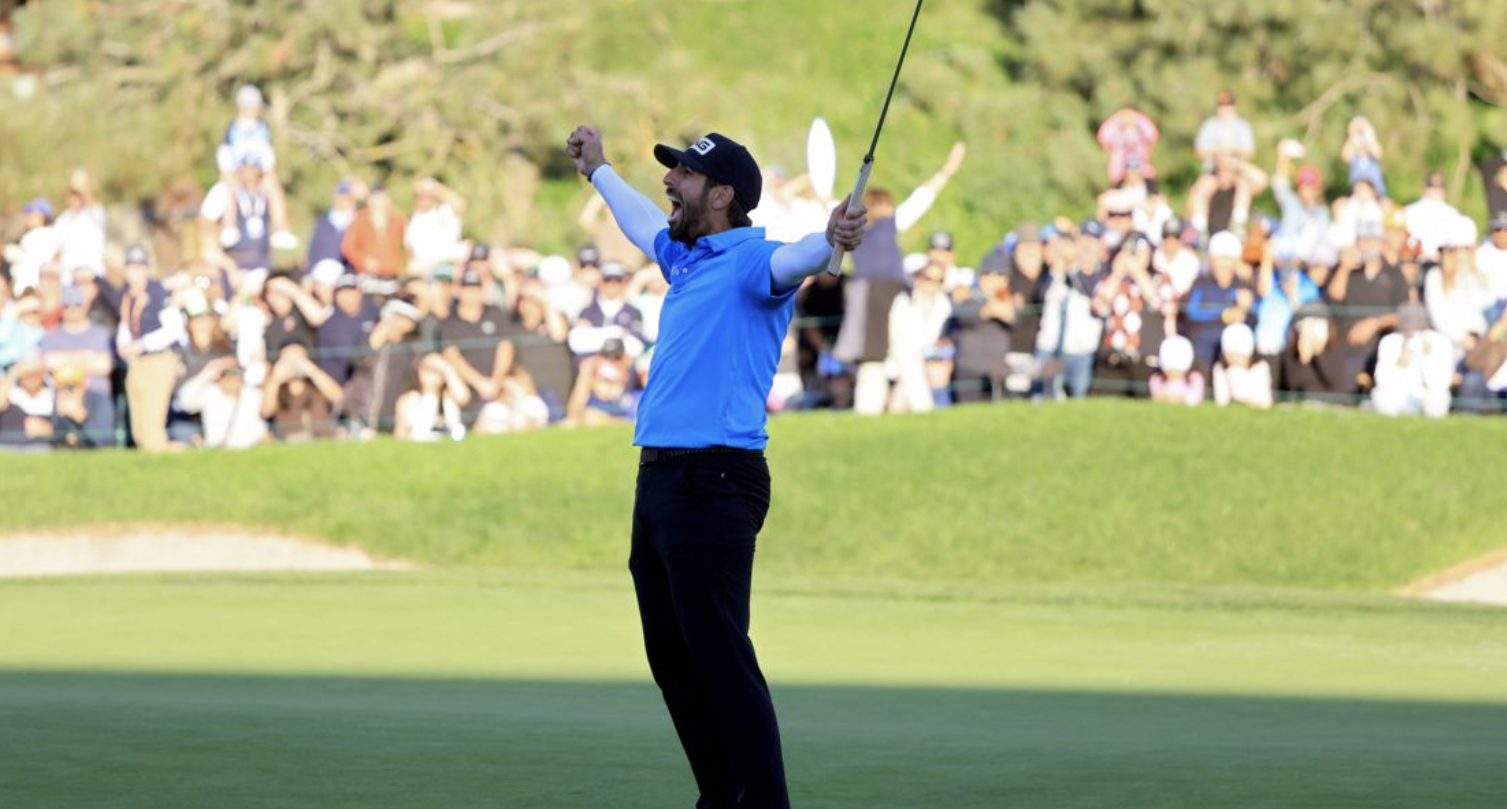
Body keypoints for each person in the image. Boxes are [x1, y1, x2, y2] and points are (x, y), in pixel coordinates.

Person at [566, 123, 865, 809]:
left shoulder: (750, 260)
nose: (670, 181)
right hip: (660, 481)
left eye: (684, 175)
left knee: (721, 660)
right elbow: (643, 223)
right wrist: (599, 170)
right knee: (674, 662)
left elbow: (796, 260)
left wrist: (830, 238)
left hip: (715, 480)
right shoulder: (686, 257)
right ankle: (722, 797)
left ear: (723, 194)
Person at [833, 141, 965, 414]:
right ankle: (920, 408)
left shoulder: (853, 231)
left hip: (866, 295)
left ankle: (868, 411)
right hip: (891, 294)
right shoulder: (887, 224)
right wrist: (947, 170)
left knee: (872, 362)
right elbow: (922, 198)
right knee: (906, 355)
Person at [116, 245, 185, 451]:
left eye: (139, 267)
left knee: (152, 428)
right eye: (131, 267)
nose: (135, 273)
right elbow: (126, 325)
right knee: (139, 431)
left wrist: (142, 344)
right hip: (137, 362)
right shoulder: (127, 296)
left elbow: (173, 329)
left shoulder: (157, 292)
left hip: (158, 360)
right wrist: (124, 346)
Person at [40, 286, 115, 446]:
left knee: (102, 444)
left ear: (85, 305)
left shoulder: (101, 333)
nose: (72, 308)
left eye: (77, 303)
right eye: (67, 304)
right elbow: (48, 362)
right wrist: (86, 357)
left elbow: (104, 366)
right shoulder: (51, 336)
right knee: (64, 443)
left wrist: (65, 359)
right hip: (62, 394)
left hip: (96, 393)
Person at [1183, 231, 1255, 376]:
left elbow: (1256, 316)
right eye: (1219, 258)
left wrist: (1247, 308)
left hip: (1231, 361)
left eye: (1227, 259)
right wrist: (1223, 315)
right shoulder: (1201, 283)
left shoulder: (1243, 286)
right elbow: (1191, 312)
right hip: (1203, 355)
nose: (1223, 264)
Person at [949, 256, 1013, 403]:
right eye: (987, 274)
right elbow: (963, 317)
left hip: (996, 369)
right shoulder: (968, 298)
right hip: (969, 367)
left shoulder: (1010, 300)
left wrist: (1004, 310)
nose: (992, 279)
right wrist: (986, 311)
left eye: (999, 274)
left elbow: (1015, 318)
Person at [1372, 304, 1452, 418]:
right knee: (1381, 395)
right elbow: (1382, 380)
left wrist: (1426, 358)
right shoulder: (1389, 341)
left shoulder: (1440, 342)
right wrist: (1401, 361)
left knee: (1439, 396)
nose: (1412, 333)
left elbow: (1442, 382)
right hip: (1400, 395)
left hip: (1427, 395)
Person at [260, 343, 344, 442]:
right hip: (290, 442)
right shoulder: (277, 388)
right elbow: (266, 411)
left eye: (298, 358)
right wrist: (276, 379)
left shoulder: (317, 385)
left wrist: (312, 371)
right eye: (288, 359)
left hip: (321, 440)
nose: (294, 364)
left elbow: (339, 397)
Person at [1271, 139, 1331, 263]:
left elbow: (1321, 238)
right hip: (1286, 253)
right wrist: (1283, 158)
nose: (1306, 190)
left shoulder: (1321, 212)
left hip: (1309, 259)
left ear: (1317, 190)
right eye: (1303, 186)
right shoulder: (1293, 203)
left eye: (1310, 186)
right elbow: (1280, 184)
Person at [394, 353, 470, 441]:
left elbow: (463, 398)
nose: (431, 373)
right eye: (426, 368)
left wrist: (447, 369)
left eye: (436, 369)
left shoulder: (449, 397)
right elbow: (400, 433)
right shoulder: (407, 400)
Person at [342, 186, 408, 280]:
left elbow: (408, 245)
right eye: (376, 199)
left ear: (388, 200)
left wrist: (404, 265)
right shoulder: (359, 219)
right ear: (369, 200)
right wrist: (363, 262)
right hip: (367, 274)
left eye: (382, 198)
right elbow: (348, 247)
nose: (379, 203)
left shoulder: (399, 219)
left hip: (393, 272)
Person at [405, 177, 467, 276]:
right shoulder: (413, 220)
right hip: (424, 269)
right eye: (421, 196)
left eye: (428, 195)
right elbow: (410, 252)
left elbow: (460, 204)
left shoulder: (445, 212)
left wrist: (435, 187)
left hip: (448, 264)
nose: (424, 199)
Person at [0, 352, 54, 450]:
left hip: (40, 448)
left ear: (43, 373)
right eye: (27, 374)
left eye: (35, 374)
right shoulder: (12, 392)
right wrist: (13, 372)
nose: (31, 378)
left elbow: (64, 429)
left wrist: (47, 428)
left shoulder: (51, 395)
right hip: (7, 447)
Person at [306, 179, 365, 269]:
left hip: (350, 272)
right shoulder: (322, 222)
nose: (343, 199)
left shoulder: (360, 221)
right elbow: (313, 251)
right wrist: (309, 271)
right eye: (341, 195)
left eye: (347, 196)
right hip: (322, 270)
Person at [1212, 323, 1272, 409]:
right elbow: (1221, 401)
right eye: (1232, 355)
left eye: (1239, 355)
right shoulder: (1220, 369)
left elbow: (1265, 402)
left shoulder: (1260, 368)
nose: (1236, 359)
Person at [1097, 107, 1159, 184]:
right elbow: (1104, 134)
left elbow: (1151, 133)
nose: (1128, 118)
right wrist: (1117, 118)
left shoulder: (1141, 132)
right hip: (1120, 174)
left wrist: (1138, 118)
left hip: (1142, 173)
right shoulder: (1117, 133)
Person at [1194, 90, 1255, 168]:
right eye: (1221, 105)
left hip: (1238, 168)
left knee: (1258, 175)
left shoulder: (1243, 126)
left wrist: (1231, 151)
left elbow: (1249, 152)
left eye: (1228, 105)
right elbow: (1199, 152)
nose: (1224, 109)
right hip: (1213, 168)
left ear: (1234, 107)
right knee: (1204, 177)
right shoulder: (1209, 125)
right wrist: (1218, 152)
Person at [1149, 335, 1203, 406]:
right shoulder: (1156, 379)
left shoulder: (1195, 378)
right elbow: (1157, 397)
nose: (1174, 371)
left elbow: (1194, 399)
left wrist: (1170, 398)